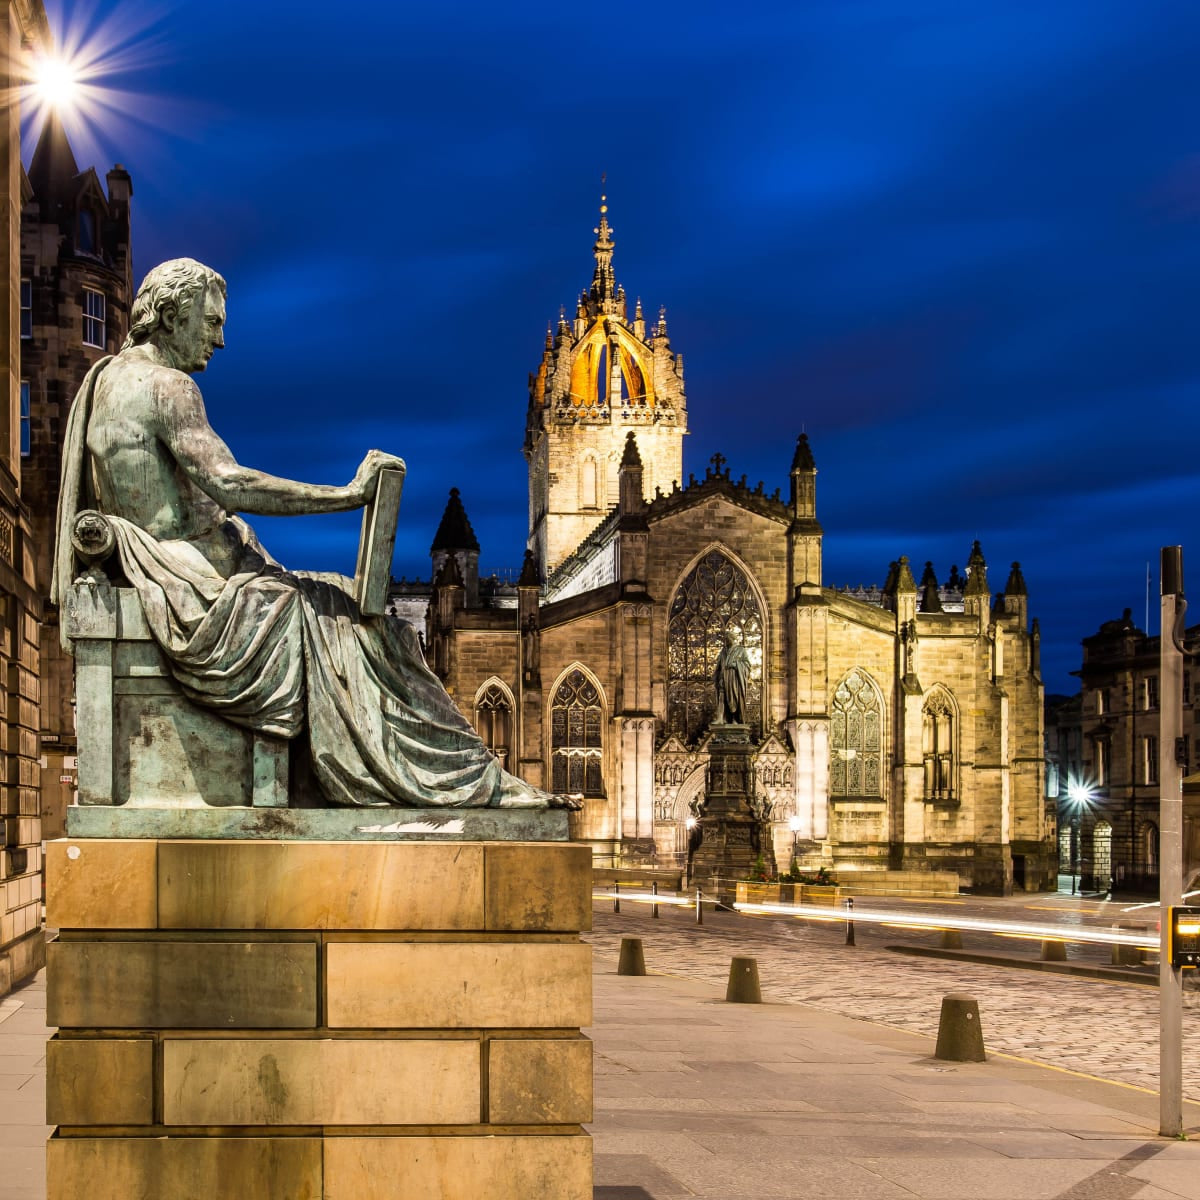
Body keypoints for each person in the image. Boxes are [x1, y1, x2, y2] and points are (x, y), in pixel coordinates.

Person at [53, 257, 574, 810]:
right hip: (193, 583)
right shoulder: (169, 386)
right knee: (359, 624)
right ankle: (464, 781)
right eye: (211, 323)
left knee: (360, 613)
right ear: (171, 315)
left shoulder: (104, 381)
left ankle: (468, 775)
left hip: (176, 568)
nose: (221, 340)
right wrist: (349, 496)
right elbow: (231, 484)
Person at [712, 630, 751, 725]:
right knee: (721, 697)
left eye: (727, 639)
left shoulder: (741, 650)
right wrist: (717, 676)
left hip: (734, 680)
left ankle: (735, 719)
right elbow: (719, 665)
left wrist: (735, 665)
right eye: (725, 639)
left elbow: (747, 665)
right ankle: (720, 717)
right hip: (723, 677)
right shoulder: (723, 651)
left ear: (733, 638)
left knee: (734, 698)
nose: (725, 641)